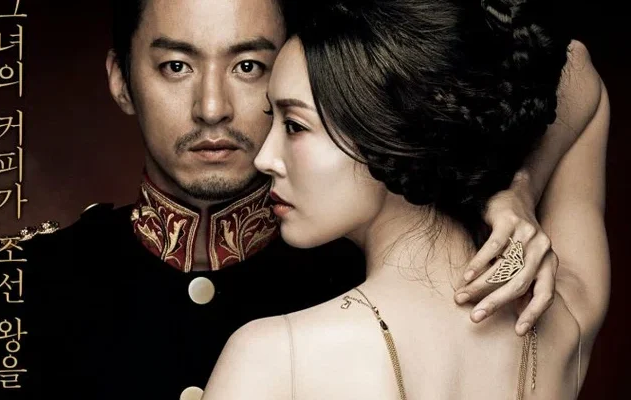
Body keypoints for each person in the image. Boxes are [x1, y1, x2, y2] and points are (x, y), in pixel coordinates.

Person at [0, 0, 590, 399]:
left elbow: (568, 71)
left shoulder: (336, 274)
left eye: (249, 66)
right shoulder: (17, 288)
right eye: (176, 66)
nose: (213, 108)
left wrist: (511, 188)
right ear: (120, 79)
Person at [201, 0, 610, 399]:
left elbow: (575, 69)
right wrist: (518, 189)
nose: (264, 158)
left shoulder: (275, 357)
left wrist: (514, 190)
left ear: (389, 133)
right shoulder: (566, 326)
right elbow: (581, 72)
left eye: (294, 125)